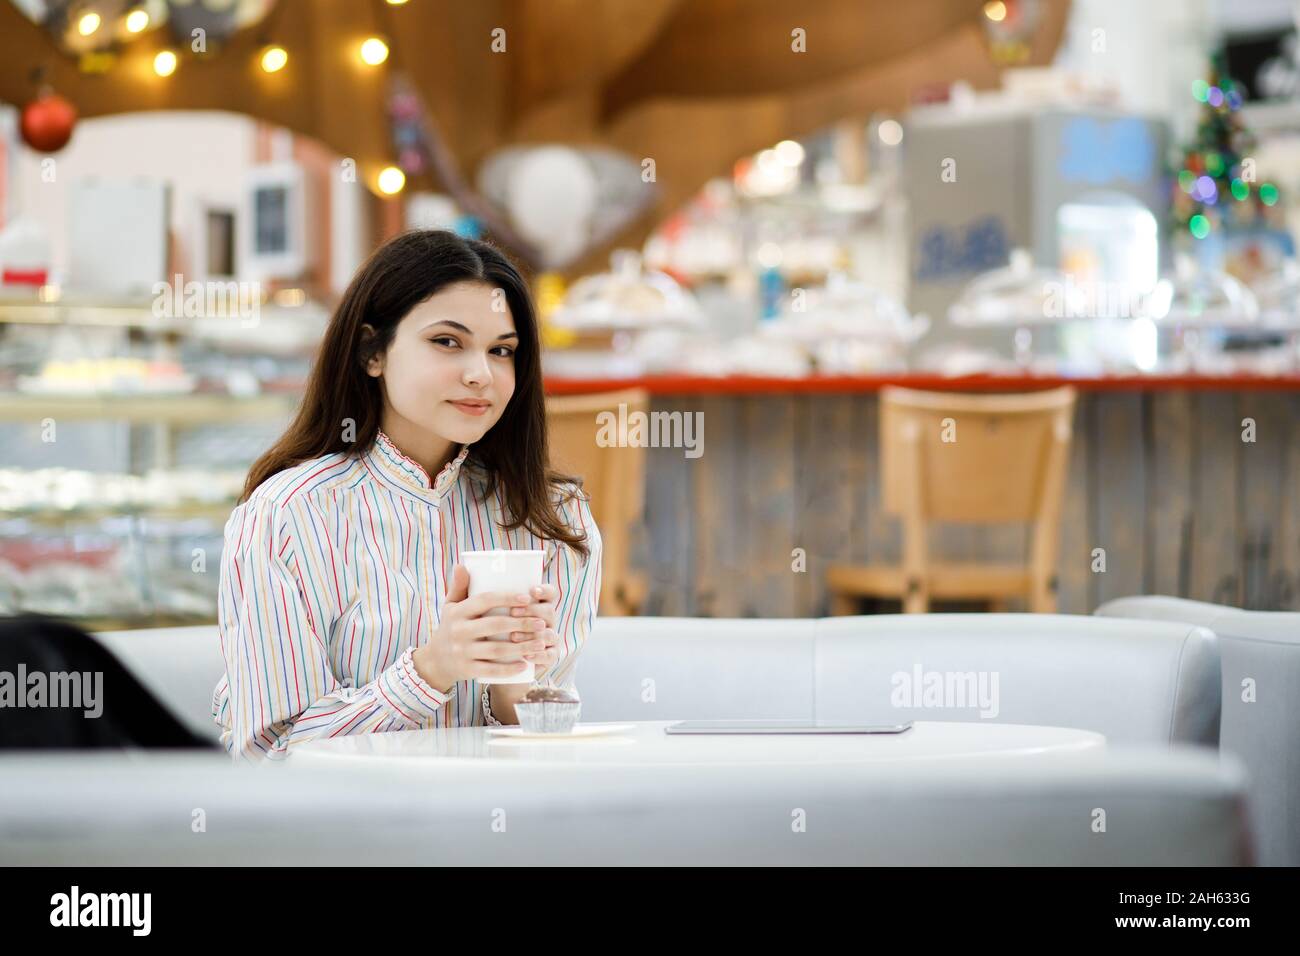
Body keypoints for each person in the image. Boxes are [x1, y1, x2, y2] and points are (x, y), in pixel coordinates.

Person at [212, 230, 602, 762]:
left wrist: (516, 684)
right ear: (373, 351)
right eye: (447, 341)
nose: (479, 374)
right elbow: (270, 753)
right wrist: (431, 669)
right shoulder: (288, 515)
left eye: (502, 351)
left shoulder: (553, 519)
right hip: (354, 838)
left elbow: (549, 756)